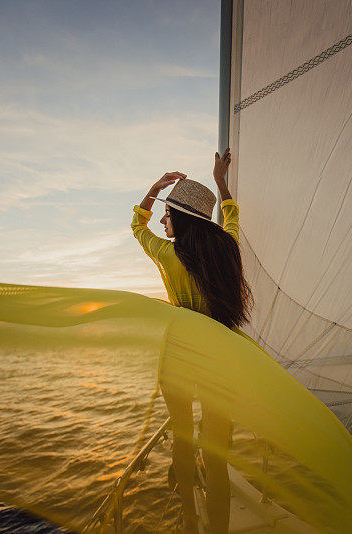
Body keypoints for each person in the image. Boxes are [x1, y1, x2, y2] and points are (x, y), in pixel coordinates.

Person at [130, 147, 254, 534]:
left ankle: (188, 519)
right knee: (216, 455)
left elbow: (137, 227)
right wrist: (220, 180)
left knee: (184, 440)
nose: (164, 219)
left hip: (180, 357)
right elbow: (231, 216)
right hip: (222, 358)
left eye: (168, 213)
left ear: (182, 219)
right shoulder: (228, 248)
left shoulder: (168, 255)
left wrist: (154, 189)